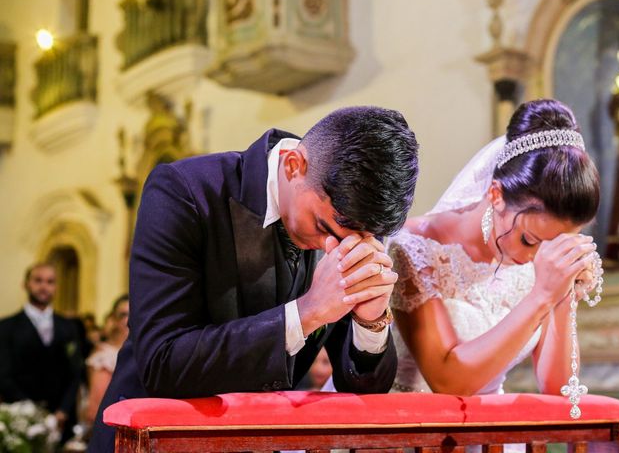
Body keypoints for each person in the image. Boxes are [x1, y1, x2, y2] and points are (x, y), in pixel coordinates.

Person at [88, 106, 419, 451]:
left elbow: (363, 389)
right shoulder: (185, 191)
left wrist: (371, 323)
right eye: (322, 226)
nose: (330, 245)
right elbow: (162, 363)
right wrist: (307, 313)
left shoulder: (354, 221)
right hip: (155, 440)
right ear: (294, 165)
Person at [388, 99, 600, 397]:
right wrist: (541, 295)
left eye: (555, 246)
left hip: (491, 436)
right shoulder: (414, 247)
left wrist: (562, 295)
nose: (533, 258)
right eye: (529, 239)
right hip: (409, 427)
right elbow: (448, 382)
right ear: (496, 193)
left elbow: (558, 389)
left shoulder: (542, 268)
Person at [0, 263, 83, 443]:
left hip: (62, 423)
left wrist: (63, 410)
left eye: (50, 281)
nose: (44, 286)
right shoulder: (6, 327)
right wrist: (33, 414)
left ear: (56, 286)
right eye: (38, 280)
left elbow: (75, 373)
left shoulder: (68, 327)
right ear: (26, 284)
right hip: (20, 422)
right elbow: (4, 376)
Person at [85, 295, 129, 425]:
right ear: (114, 320)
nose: (129, 320)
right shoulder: (105, 356)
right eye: (123, 315)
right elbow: (97, 407)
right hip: (113, 426)